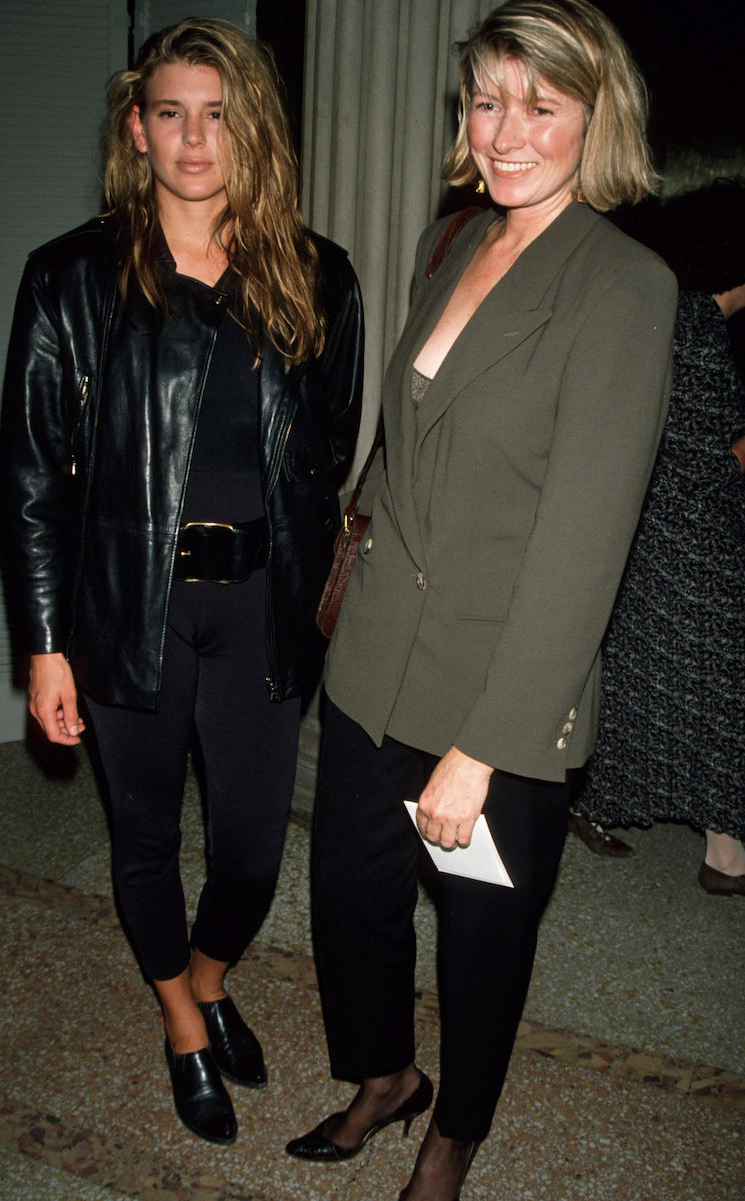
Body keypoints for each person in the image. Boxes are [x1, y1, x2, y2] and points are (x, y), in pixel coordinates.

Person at [285, 1, 676, 1196]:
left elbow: (582, 544)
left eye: (539, 106)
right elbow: (405, 444)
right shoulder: (451, 240)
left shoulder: (623, 287)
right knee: (348, 893)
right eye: (487, 99)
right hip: (378, 656)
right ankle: (382, 1075)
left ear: (592, 118)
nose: (504, 132)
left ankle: (454, 1127)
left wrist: (487, 748)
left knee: (478, 936)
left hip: (501, 683)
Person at [0, 18, 363, 1146]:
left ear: (249, 126)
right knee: (145, 835)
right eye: (169, 112)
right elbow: (28, 475)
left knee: (253, 847)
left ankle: (207, 976)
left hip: (257, 607)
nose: (194, 138)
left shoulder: (316, 273)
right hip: (124, 608)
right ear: (136, 128)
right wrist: (46, 639)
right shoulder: (69, 276)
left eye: (216, 112)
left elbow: (327, 458)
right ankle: (179, 1021)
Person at [573, 180, 745, 896]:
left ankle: (590, 798)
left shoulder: (659, 312)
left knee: (643, 666)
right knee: (719, 680)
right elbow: (709, 447)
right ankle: (726, 847)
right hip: (697, 531)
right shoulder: (700, 328)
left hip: (644, 526)